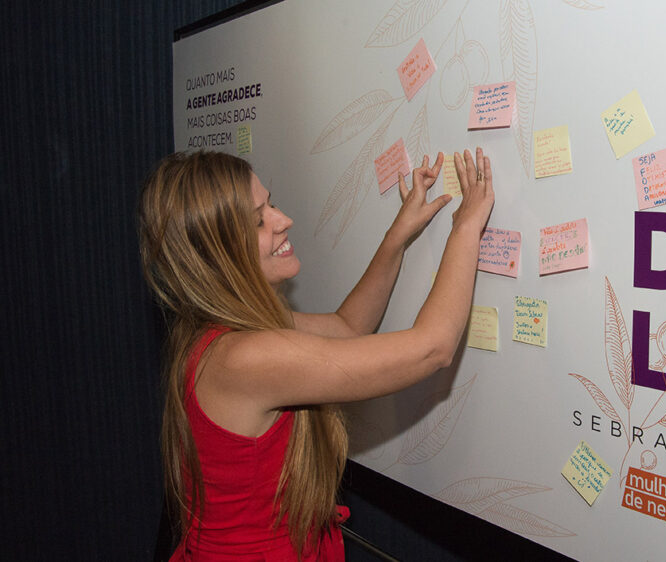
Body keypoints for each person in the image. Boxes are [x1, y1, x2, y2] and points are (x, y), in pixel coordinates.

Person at [138, 148, 494, 561]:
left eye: (271, 204)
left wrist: (399, 233)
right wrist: (466, 225)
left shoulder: (226, 331)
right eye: (258, 221)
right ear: (216, 255)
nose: (283, 220)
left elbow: (348, 326)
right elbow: (432, 348)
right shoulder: (243, 357)